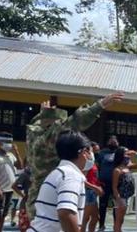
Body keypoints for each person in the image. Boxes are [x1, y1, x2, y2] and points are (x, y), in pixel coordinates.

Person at [26, 93, 124, 221]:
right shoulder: (47, 141)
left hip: (36, 201)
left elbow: (38, 123)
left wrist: (44, 114)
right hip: (48, 204)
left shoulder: (33, 137)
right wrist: (99, 105)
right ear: (51, 126)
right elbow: (74, 123)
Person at [111, 146, 137, 232]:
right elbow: (114, 187)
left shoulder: (127, 166)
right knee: (118, 221)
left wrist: (136, 154)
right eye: (126, 154)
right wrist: (119, 199)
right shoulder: (117, 170)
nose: (128, 155)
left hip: (126, 196)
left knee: (121, 221)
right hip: (120, 198)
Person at [82, 142, 103, 232]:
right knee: (85, 218)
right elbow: (83, 180)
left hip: (93, 192)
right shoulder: (86, 163)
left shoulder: (93, 163)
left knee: (95, 217)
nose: (95, 153)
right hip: (89, 191)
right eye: (94, 150)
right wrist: (95, 188)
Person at [97, 135, 120, 232]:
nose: (113, 143)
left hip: (116, 183)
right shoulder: (102, 153)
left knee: (116, 205)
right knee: (102, 205)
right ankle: (101, 225)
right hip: (104, 183)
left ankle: (117, 226)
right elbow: (97, 166)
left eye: (115, 141)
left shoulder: (120, 153)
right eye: (111, 141)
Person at [11, 166, 32, 232]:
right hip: (26, 202)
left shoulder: (40, 173)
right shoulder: (25, 174)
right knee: (24, 223)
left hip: (37, 203)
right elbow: (14, 186)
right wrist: (23, 196)